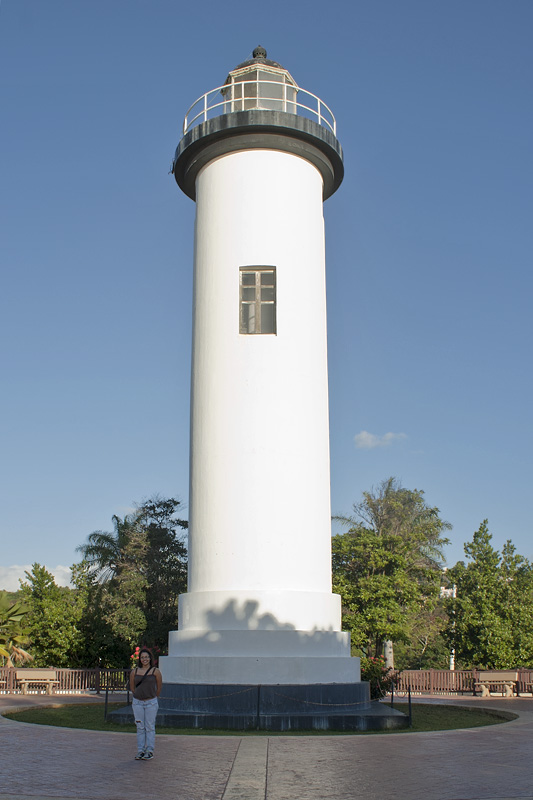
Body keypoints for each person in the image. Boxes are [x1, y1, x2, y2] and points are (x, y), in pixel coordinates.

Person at [130, 647, 162, 760]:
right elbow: (132, 687)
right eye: (143, 657)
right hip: (138, 702)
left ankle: (149, 750)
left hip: (151, 702)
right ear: (140, 659)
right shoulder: (135, 672)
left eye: (147, 657)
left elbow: (158, 688)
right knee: (140, 727)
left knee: (149, 727)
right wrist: (139, 695)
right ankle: (140, 750)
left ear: (150, 658)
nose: (145, 659)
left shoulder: (155, 671)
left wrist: (151, 696)